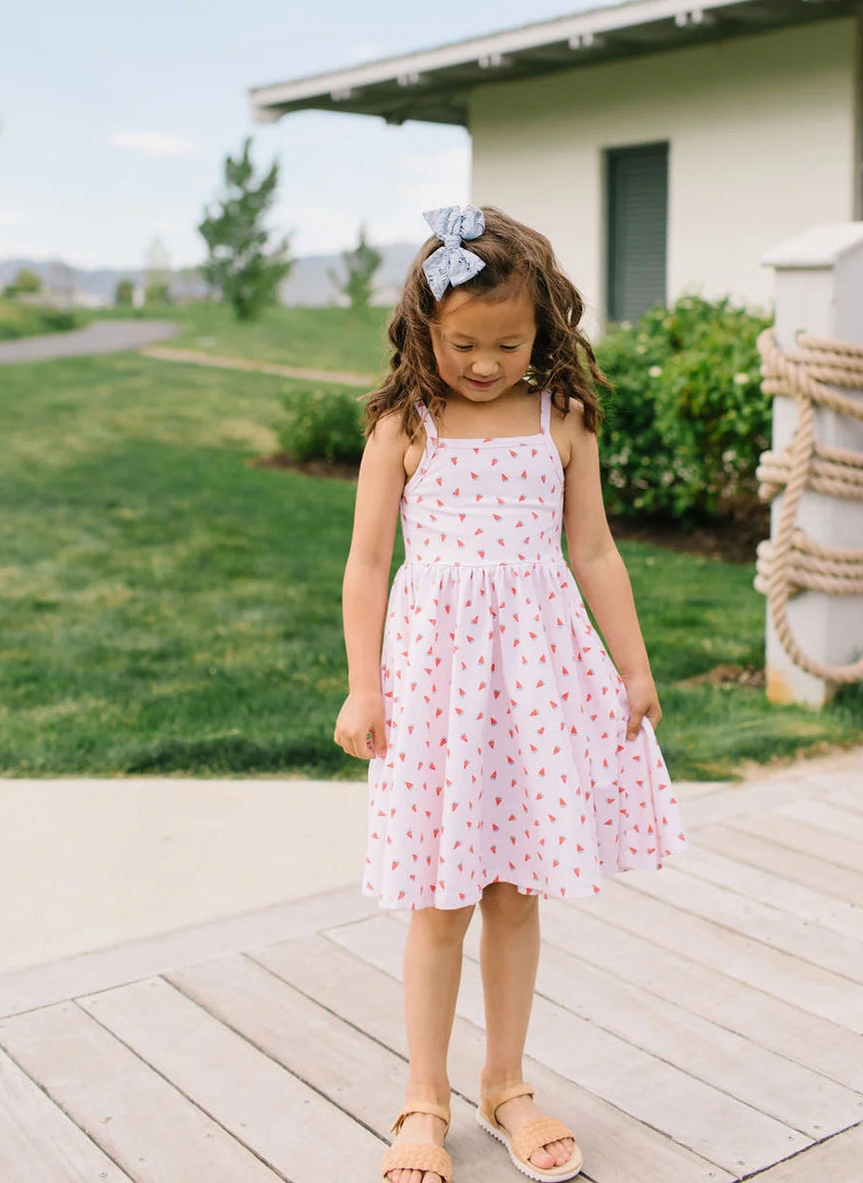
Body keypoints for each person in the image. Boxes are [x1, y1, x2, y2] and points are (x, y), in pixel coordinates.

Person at [335, 204, 687, 1183]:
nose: (485, 364)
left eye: (509, 344)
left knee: (515, 893)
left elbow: (595, 550)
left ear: (543, 332)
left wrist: (634, 665)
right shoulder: (404, 426)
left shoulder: (560, 419)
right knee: (439, 899)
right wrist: (364, 685)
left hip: (534, 686)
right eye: (463, 345)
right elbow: (366, 564)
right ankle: (424, 1096)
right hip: (437, 690)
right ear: (424, 328)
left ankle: (505, 1082)